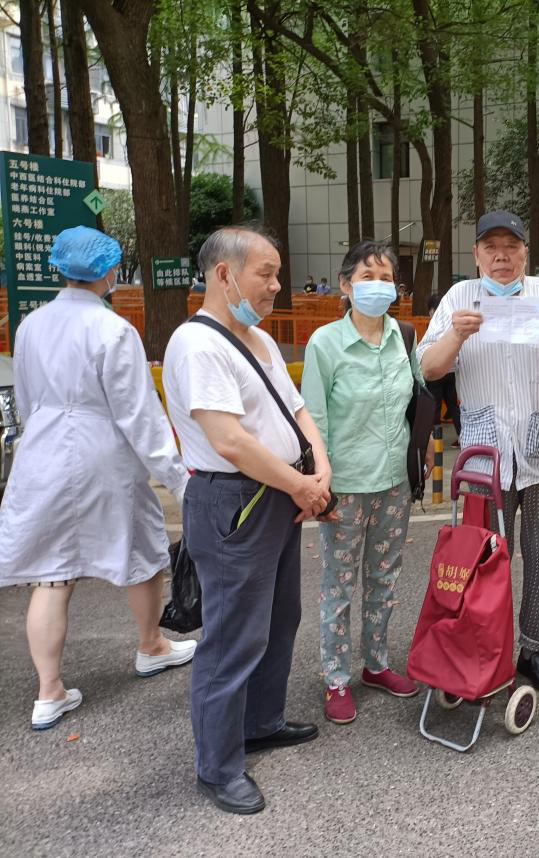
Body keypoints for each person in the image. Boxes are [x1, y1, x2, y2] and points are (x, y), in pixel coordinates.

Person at [163, 225, 331, 814]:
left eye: (277, 273)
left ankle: (260, 721)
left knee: (279, 618)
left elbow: (299, 409)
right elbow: (229, 442)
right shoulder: (196, 344)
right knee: (233, 636)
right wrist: (302, 487)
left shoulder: (258, 340)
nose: (276, 286)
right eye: (266, 273)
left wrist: (320, 469)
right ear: (224, 274)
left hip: (281, 493)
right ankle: (217, 765)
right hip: (235, 500)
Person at [0, 226, 194, 731]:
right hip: (102, 452)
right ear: (108, 271)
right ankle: (151, 645)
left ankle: (49, 692)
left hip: (41, 451)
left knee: (52, 572)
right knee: (142, 550)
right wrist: (177, 477)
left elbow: (25, 399)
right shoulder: (113, 330)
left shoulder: (30, 325)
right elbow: (138, 414)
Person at [418, 210, 539, 695]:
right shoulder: (459, 298)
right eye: (490, 247)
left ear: (525, 253)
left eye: (511, 247)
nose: (501, 256)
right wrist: (456, 334)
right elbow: (429, 369)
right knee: (486, 559)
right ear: (476, 254)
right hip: (485, 458)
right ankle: (480, 649)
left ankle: (533, 648)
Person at [301, 240, 420, 725]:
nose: (377, 286)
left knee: (384, 580)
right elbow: (313, 418)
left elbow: (421, 398)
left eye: (385, 277)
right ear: (346, 287)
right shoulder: (325, 343)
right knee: (339, 584)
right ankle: (335, 678)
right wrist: (319, 484)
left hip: (394, 484)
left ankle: (376, 664)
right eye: (366, 277)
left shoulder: (404, 338)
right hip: (345, 485)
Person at [425, 293, 462, 448]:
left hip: (437, 373)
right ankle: (461, 436)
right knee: (453, 406)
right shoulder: (453, 320)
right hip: (452, 371)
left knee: (435, 406)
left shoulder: (435, 322)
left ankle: (436, 440)